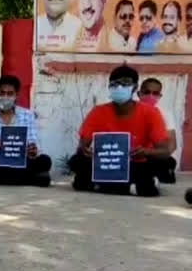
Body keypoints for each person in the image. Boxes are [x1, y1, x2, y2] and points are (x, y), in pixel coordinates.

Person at [68, 65, 170, 197]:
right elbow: (82, 146)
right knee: (76, 161)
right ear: (109, 87)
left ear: (134, 87)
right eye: (115, 84)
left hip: (137, 164)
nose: (119, 87)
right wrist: (85, 150)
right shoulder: (98, 112)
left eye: (125, 83)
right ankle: (130, 187)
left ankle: (102, 185)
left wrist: (146, 152)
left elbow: (165, 151)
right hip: (107, 165)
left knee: (163, 164)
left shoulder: (151, 113)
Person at [0, 75, 51, 187]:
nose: (5, 96)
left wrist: (32, 150)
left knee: (45, 161)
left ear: (16, 95)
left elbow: (35, 145)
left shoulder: (28, 116)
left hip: (20, 162)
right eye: (2, 93)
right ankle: (30, 179)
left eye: (10, 93)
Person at [137, 78, 177, 183]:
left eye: (155, 93)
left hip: (155, 156)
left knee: (168, 162)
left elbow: (172, 146)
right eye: (147, 92)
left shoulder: (165, 114)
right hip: (134, 155)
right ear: (139, 94)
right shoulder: (130, 111)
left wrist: (151, 153)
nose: (151, 96)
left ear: (160, 96)